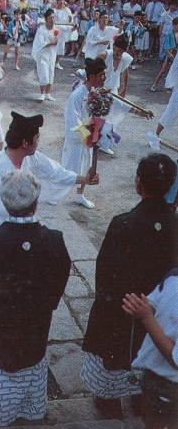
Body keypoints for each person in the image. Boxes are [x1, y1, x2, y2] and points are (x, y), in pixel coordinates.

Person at [0, 170, 71, 428]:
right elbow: (57, 287)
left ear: (4, 202)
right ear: (36, 203)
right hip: (34, 339)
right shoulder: (53, 241)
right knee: (31, 403)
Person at [80, 154, 178, 421]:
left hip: (122, 312)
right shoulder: (174, 224)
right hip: (160, 321)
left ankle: (111, 408)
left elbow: (105, 277)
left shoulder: (124, 223)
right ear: (170, 186)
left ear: (138, 183)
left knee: (115, 365)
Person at [0, 111, 98, 235]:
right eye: (37, 138)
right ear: (25, 143)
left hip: (21, 228)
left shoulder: (32, 157)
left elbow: (55, 172)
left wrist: (84, 179)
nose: (38, 142)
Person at [62, 57, 149, 208]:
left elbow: (118, 105)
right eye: (102, 75)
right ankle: (56, 193)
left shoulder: (101, 92)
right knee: (69, 167)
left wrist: (139, 112)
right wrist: (86, 133)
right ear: (92, 77)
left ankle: (80, 195)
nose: (105, 77)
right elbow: (71, 119)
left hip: (91, 136)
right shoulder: (77, 95)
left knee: (87, 166)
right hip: (77, 138)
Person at [122, 269, 178, 428]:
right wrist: (139, 308)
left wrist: (147, 319)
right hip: (153, 374)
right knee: (149, 415)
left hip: (170, 385)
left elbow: (176, 360)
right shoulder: (173, 276)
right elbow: (154, 302)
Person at [31, 8, 77, 102]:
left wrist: (73, 28)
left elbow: (65, 31)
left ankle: (48, 93)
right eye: (50, 18)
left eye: (53, 17)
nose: (52, 19)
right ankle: (42, 94)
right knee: (44, 74)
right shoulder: (41, 30)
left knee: (51, 73)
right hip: (42, 55)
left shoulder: (56, 28)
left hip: (52, 55)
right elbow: (40, 43)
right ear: (46, 19)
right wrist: (52, 42)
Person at [150, 17, 178, 92]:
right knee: (163, 70)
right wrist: (169, 53)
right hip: (170, 53)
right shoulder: (170, 34)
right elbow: (165, 46)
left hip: (177, 54)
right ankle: (154, 84)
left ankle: (173, 85)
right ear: (174, 25)